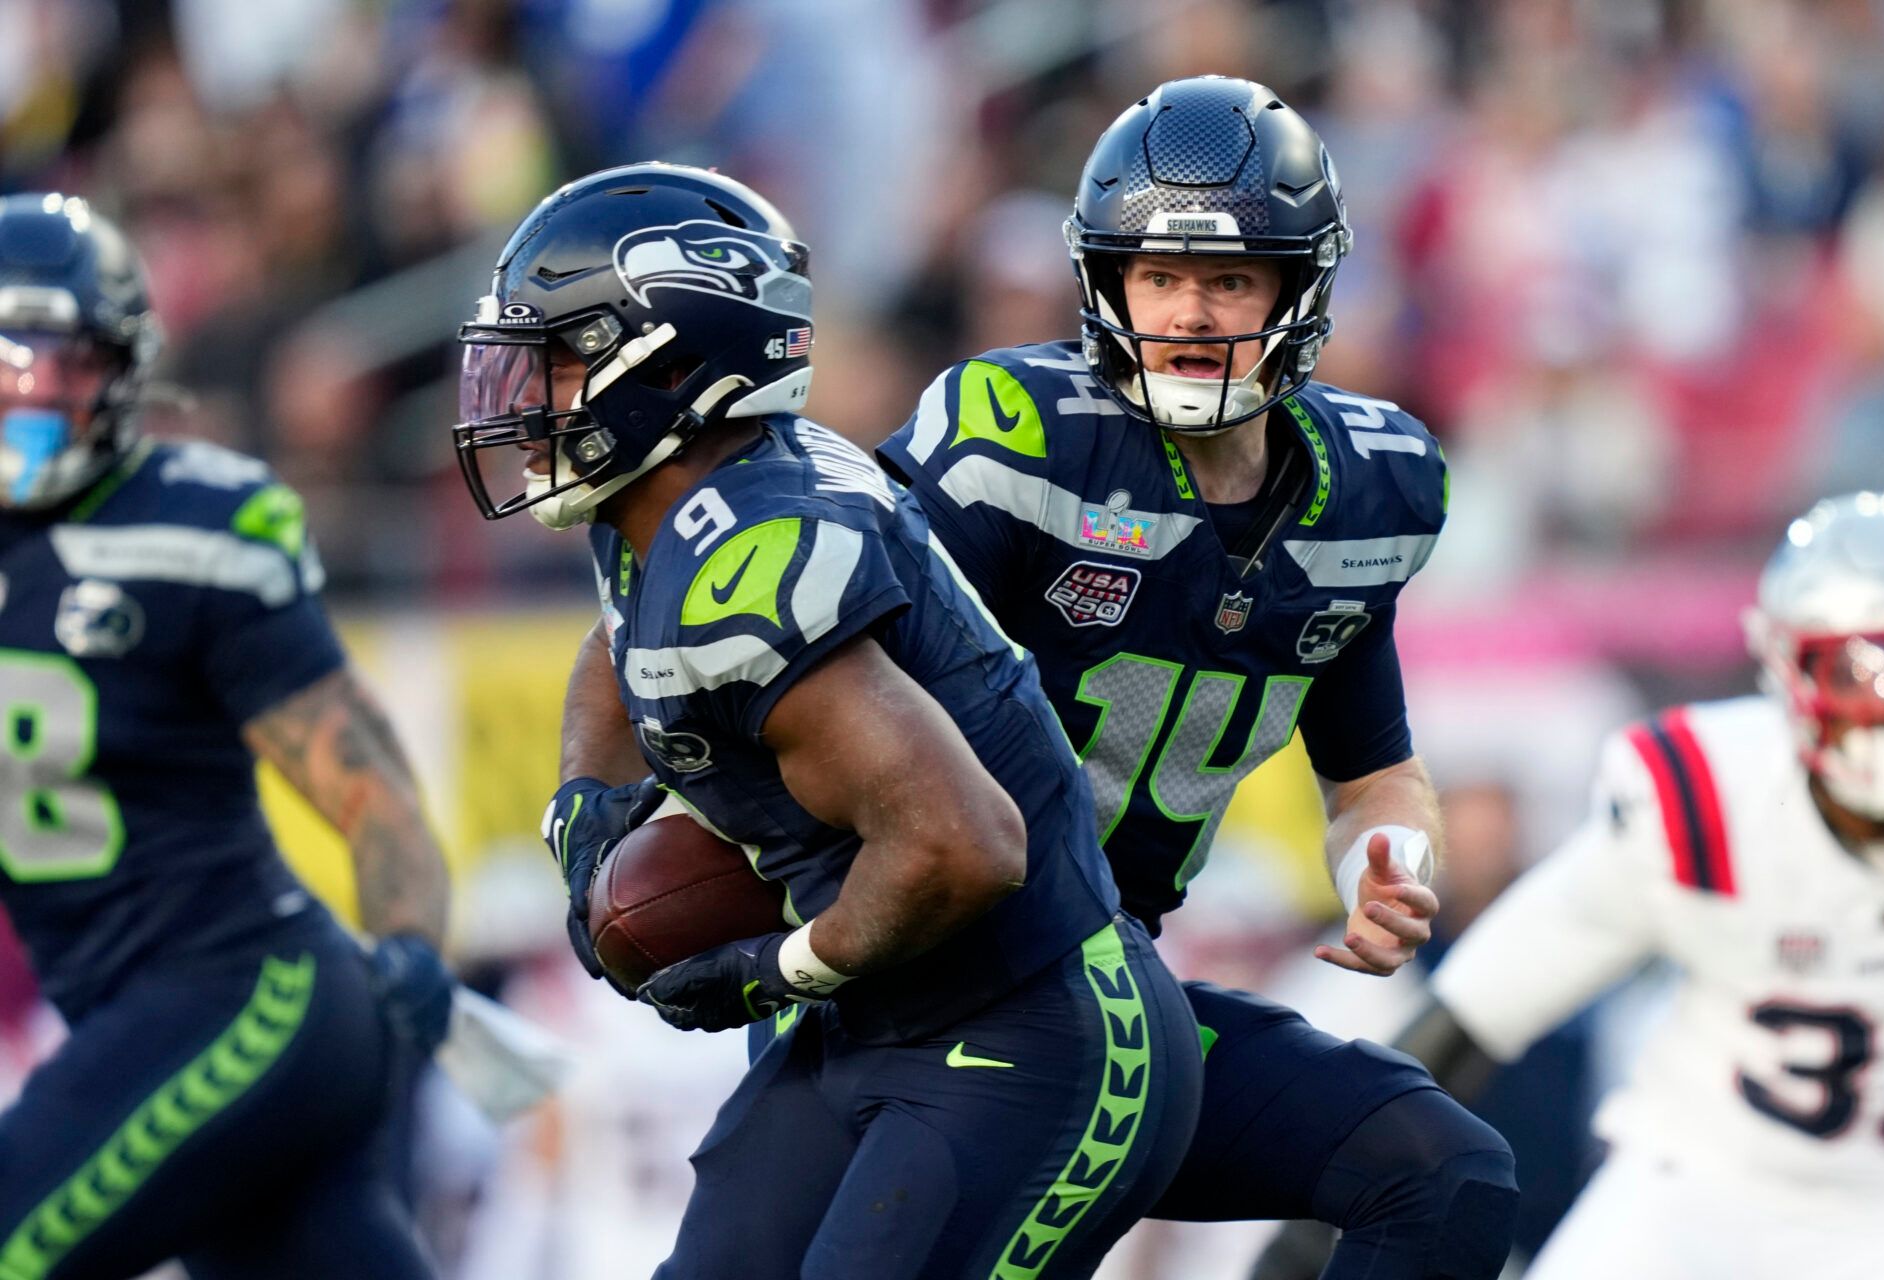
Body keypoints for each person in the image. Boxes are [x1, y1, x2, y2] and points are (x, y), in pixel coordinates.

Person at [453, 162, 1202, 1280]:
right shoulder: (657, 498)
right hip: (876, 1023)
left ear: (670, 359)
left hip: (1033, 1022)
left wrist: (775, 965)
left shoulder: (760, 557)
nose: (528, 394)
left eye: (558, 356)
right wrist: (584, 807)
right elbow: (619, 639)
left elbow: (965, 840)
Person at [873, 77, 1518, 1278]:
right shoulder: (1017, 437)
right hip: (919, 990)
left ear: (1298, 288)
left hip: (1114, 993)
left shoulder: (1365, 494)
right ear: (1107, 282)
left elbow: (1375, 768)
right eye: (1160, 276)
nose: (1191, 313)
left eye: (1230, 279)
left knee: (1448, 1171)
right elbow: (840, 678)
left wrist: (1393, 862)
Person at [0, 194, 453, 1278]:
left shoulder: (191, 523)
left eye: (76, 359)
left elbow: (370, 783)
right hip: (135, 1011)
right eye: (16, 354)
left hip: (253, 993)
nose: (45, 389)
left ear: (128, 369)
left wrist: (412, 947)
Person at [1376, 492, 1884, 1278]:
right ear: (1781, 663)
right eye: (1855, 670)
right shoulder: (1710, 797)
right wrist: (1338, 1179)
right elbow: (1485, 1003)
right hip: (1706, 1182)